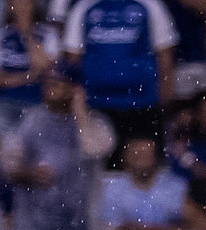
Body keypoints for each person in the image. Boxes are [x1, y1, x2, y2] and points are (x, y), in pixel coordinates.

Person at [4, 73, 105, 230]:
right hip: (35, 221)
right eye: (48, 83)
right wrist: (29, 172)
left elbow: (95, 149)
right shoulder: (31, 120)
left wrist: (79, 111)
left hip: (78, 221)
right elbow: (7, 164)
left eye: (58, 83)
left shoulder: (94, 121)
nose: (50, 88)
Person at [63, 0, 177, 146]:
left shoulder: (151, 5)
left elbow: (165, 56)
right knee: (100, 162)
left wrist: (164, 104)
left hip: (142, 104)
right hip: (97, 106)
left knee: (142, 160)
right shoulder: (83, 7)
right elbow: (73, 58)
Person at [100, 133, 186, 230]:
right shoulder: (113, 189)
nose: (140, 159)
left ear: (157, 158)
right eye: (135, 154)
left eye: (146, 154)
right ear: (124, 157)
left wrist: (144, 229)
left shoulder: (175, 186)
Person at [0, 0, 60, 132]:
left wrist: (26, 34)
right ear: (10, 7)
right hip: (4, 103)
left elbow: (47, 68)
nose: (22, 8)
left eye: (26, 3)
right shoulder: (0, 35)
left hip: (37, 104)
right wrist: (26, 77)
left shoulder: (48, 35)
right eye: (17, 3)